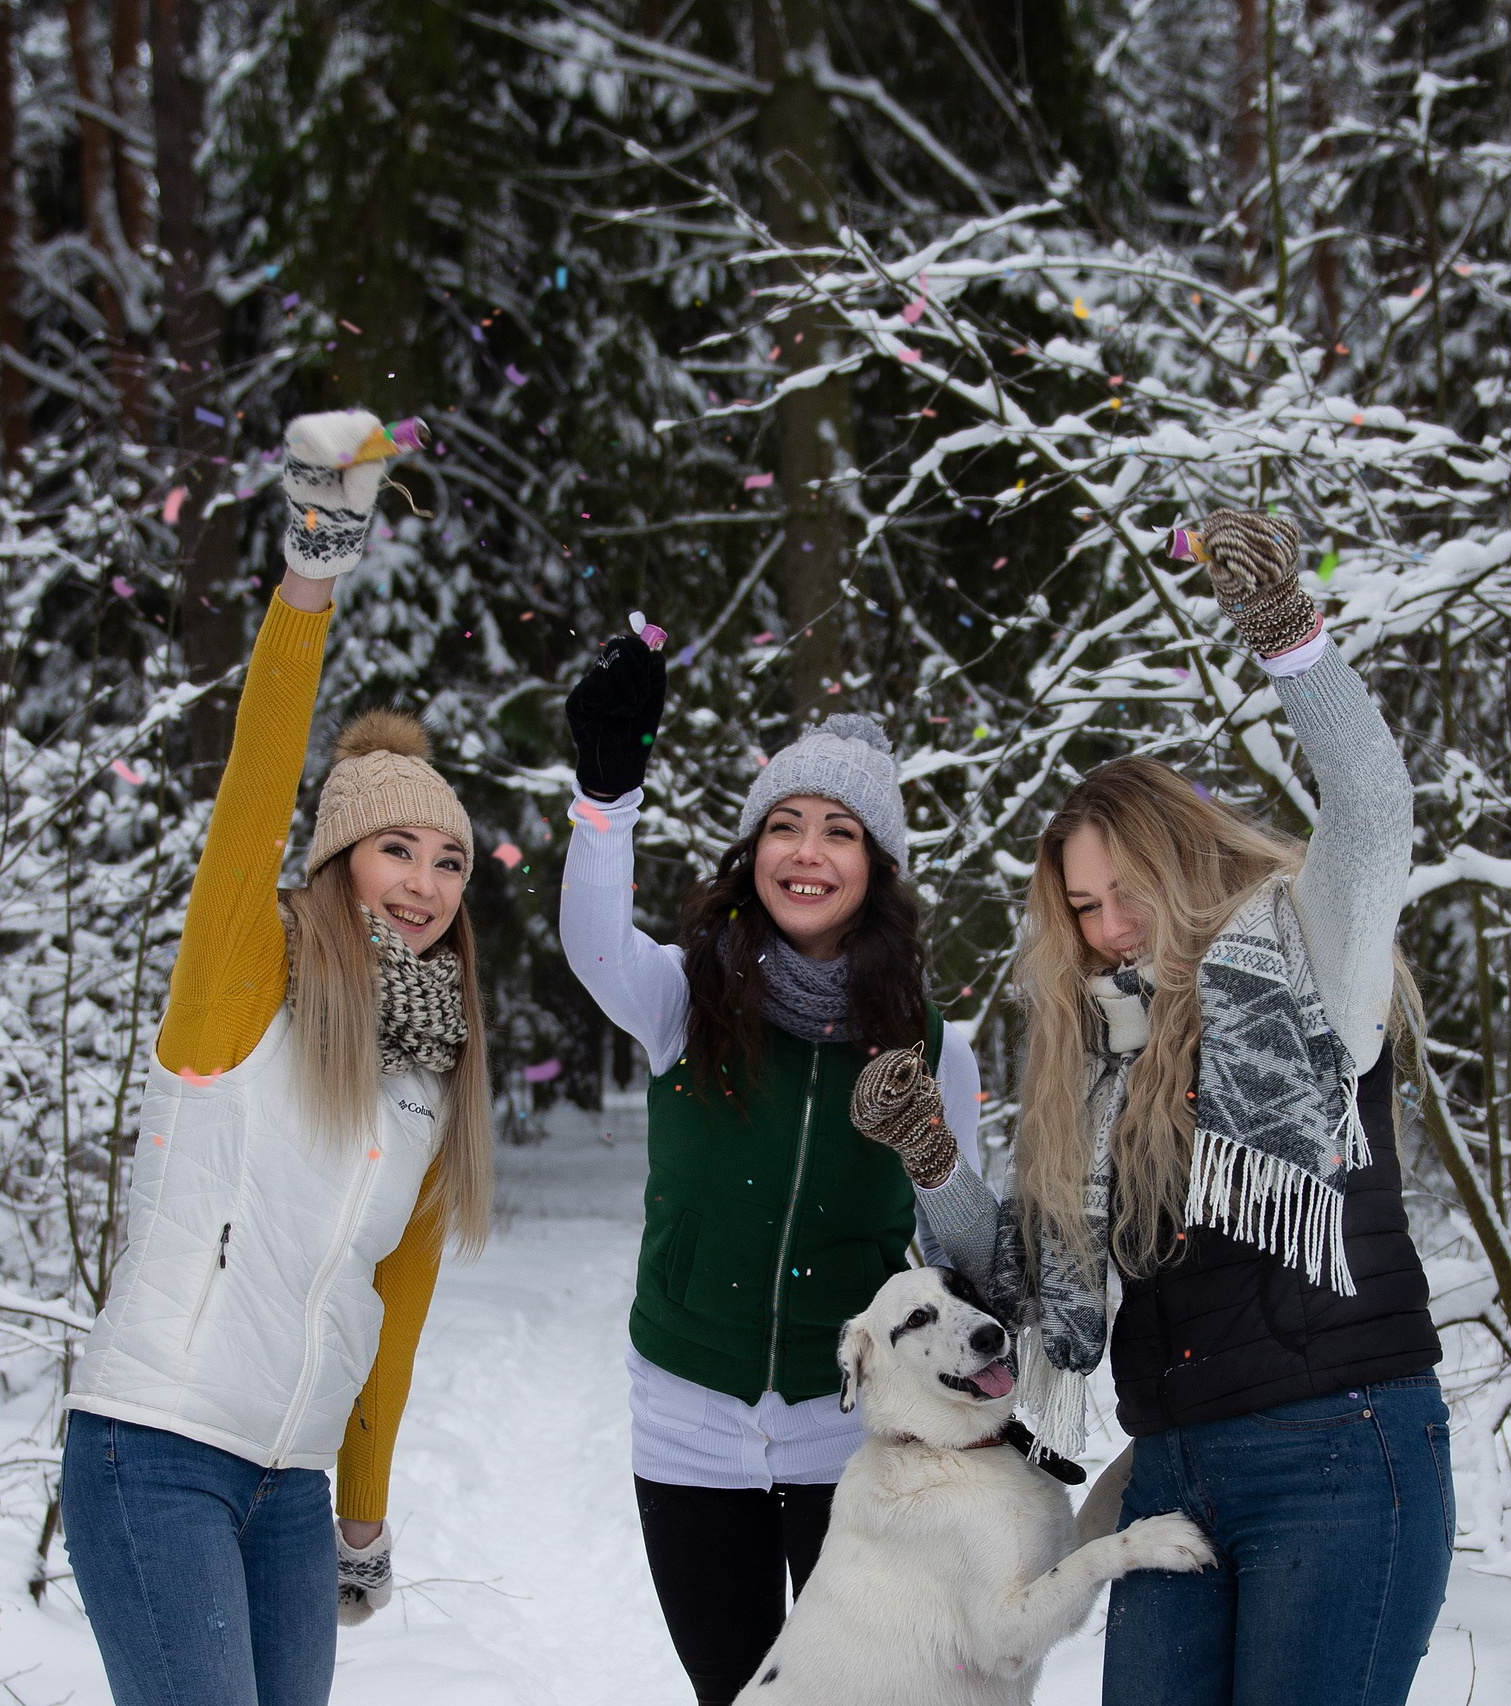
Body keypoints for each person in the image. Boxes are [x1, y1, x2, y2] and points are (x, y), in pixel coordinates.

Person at [887, 509, 1451, 1706]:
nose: (1107, 927)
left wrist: (1287, 634)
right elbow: (1023, 1277)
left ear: (1181, 855)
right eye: (1082, 907)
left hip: (1342, 1452)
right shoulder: (1099, 1062)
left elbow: (1372, 810)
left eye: (1123, 890)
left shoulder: (1307, 965)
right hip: (1174, 1470)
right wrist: (932, 1158)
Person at [58, 409, 492, 1706]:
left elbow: (392, 1305)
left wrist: (362, 1505)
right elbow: (253, 785)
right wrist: (312, 572)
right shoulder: (243, 982)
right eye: (396, 848)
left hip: (291, 1487)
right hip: (156, 1448)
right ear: (337, 860)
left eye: (450, 860)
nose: (424, 882)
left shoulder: (431, 1069)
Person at [558, 646, 988, 1706]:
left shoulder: (933, 1046)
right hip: (687, 1416)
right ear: (753, 850)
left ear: (876, 867)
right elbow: (595, 945)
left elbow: (968, 1254)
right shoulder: (684, 997)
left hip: (856, 1429)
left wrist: (932, 1157)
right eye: (785, 825)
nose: (806, 852)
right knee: (737, 1692)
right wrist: (605, 801)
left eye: (839, 831)